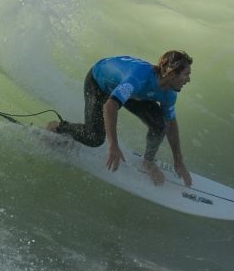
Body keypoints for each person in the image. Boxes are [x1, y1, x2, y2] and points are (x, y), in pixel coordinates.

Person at [47, 51, 194, 187]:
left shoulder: (169, 94)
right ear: (172, 73)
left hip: (133, 93)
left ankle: (148, 162)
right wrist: (113, 145)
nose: (188, 79)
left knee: (159, 125)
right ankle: (58, 127)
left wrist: (178, 160)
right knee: (94, 138)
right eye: (186, 74)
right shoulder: (138, 78)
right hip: (99, 83)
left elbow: (170, 123)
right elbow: (110, 105)